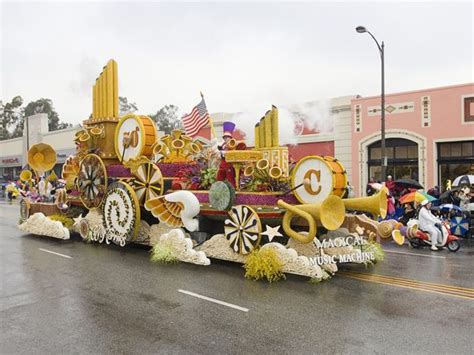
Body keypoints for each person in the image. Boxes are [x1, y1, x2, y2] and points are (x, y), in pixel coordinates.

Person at [216, 121, 236, 187]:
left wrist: (222, 151)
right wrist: (219, 150)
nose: (226, 138)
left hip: (229, 163)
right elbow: (221, 154)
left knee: (230, 178)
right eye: (225, 137)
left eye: (227, 137)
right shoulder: (223, 144)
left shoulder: (232, 144)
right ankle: (219, 188)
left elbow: (231, 152)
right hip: (222, 163)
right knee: (219, 177)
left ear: (230, 138)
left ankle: (233, 189)